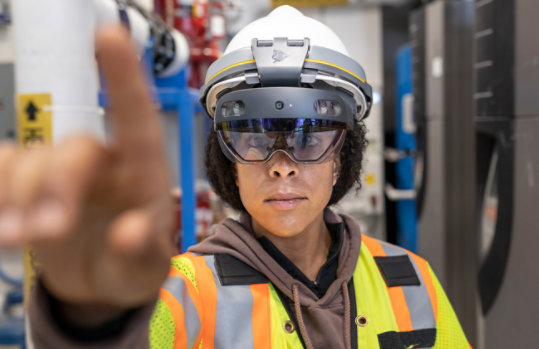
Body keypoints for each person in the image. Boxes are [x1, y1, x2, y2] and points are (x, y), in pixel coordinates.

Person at [0, 5, 470, 349]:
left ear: (341, 158)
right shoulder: (184, 293)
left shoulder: (412, 281)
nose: (281, 164)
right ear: (227, 161)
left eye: (308, 137)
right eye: (254, 136)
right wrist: (91, 319)